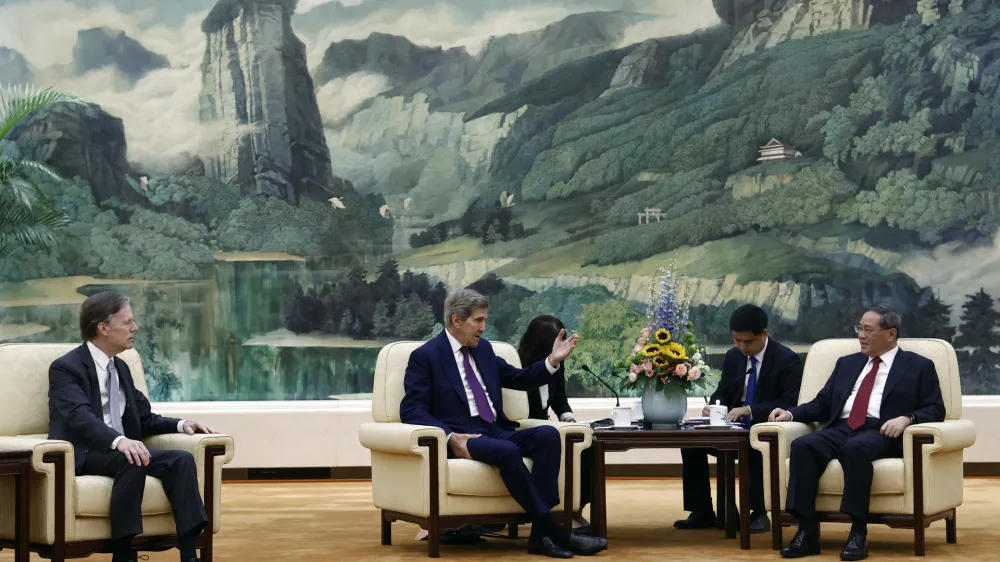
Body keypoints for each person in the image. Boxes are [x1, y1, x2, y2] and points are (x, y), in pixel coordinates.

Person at [399, 288, 607, 558]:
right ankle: (556, 532)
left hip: (496, 430)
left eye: (485, 320)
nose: (484, 328)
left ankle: (539, 537)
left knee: (547, 436)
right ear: (456, 321)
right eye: (479, 320)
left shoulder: (483, 350)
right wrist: (451, 437)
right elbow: (412, 409)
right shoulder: (426, 356)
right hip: (466, 437)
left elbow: (519, 379)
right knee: (508, 452)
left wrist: (552, 361)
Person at [48, 292, 219, 562]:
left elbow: (143, 418)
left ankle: (189, 554)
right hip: (85, 453)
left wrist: (182, 424)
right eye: (127, 322)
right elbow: (79, 416)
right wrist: (119, 441)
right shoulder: (66, 368)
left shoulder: (121, 368)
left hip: (123, 451)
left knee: (181, 460)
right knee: (132, 459)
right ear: (103, 328)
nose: (135, 327)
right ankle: (124, 553)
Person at [768, 304, 945, 560]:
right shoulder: (848, 363)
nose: (860, 335)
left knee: (855, 449)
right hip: (842, 426)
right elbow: (823, 404)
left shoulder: (918, 366)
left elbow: (936, 408)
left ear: (891, 334)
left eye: (868, 330)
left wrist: (908, 418)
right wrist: (791, 413)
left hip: (881, 430)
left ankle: (858, 533)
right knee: (803, 446)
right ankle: (806, 531)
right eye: (859, 329)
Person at [675, 304, 803, 534]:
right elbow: (724, 391)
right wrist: (713, 406)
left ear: (764, 333)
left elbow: (790, 401)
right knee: (691, 442)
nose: (742, 347)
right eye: (737, 340)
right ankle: (702, 511)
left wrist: (750, 410)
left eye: (748, 342)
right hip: (731, 426)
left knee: (754, 443)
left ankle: (759, 512)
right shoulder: (734, 356)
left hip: (763, 427)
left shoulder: (786, 359)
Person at [520, 315, 593, 534]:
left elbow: (560, 401)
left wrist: (570, 420)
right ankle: (552, 514)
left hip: (549, 426)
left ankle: (575, 510)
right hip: (526, 428)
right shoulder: (517, 365)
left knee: (587, 447)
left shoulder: (556, 365)